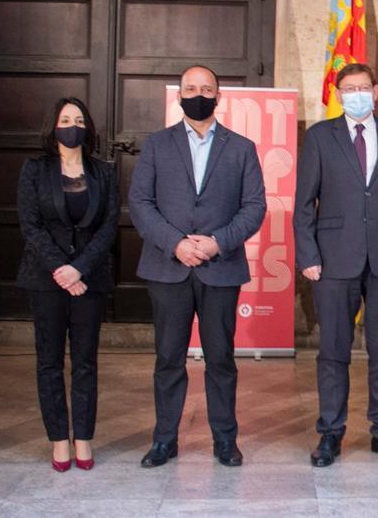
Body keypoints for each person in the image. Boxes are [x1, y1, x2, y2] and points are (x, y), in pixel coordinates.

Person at [128, 65, 265, 468]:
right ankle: (164, 440)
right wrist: (176, 243)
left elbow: (254, 206)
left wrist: (217, 241)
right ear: (179, 96)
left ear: (219, 96)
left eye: (207, 88)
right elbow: (140, 203)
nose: (198, 94)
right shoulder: (156, 145)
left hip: (220, 267)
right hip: (168, 267)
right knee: (168, 357)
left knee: (220, 358)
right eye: (191, 88)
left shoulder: (241, 148)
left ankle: (225, 440)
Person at [294, 63, 378, 467]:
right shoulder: (318, 137)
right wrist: (308, 256)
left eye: (363, 87)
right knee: (333, 351)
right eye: (349, 88)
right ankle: (330, 433)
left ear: (377, 91)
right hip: (333, 259)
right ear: (338, 94)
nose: (357, 94)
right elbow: (303, 205)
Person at [15, 97, 119, 472]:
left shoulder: (103, 171)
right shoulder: (35, 169)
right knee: (49, 362)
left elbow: (108, 225)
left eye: (78, 119)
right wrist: (61, 268)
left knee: (86, 362)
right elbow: (31, 225)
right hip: (45, 280)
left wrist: (79, 269)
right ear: (53, 126)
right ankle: (59, 439)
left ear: (88, 128)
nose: (72, 125)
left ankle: (84, 438)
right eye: (65, 118)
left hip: (89, 279)